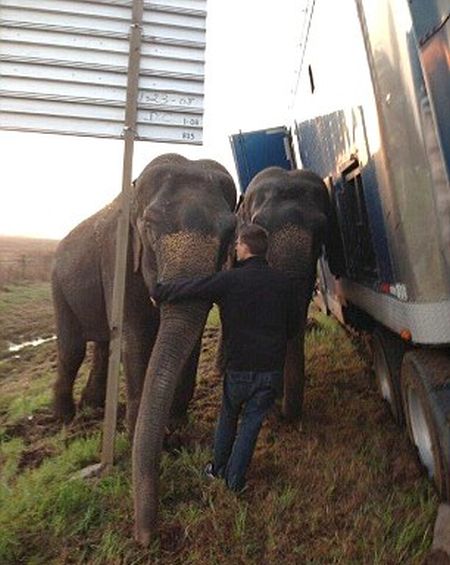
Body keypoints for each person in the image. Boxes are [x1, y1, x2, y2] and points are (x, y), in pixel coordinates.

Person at [152, 224, 299, 492]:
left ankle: (218, 470)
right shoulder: (283, 283)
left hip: (238, 368)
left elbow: (193, 287)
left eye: (238, 245)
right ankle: (234, 481)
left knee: (229, 417)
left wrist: (160, 292)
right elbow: (293, 328)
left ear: (243, 247)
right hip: (270, 370)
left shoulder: (229, 280)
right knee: (251, 425)